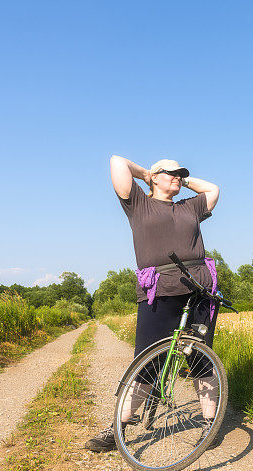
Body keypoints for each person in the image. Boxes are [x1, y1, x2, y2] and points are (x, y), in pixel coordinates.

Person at [84, 155, 222, 453]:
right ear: (156, 178)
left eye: (180, 174)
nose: (177, 177)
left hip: (199, 287)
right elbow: (116, 162)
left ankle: (209, 425)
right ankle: (118, 428)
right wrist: (146, 173)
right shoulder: (138, 204)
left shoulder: (190, 206)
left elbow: (212, 190)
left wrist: (182, 181)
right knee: (146, 361)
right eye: (170, 173)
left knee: (200, 358)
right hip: (158, 290)